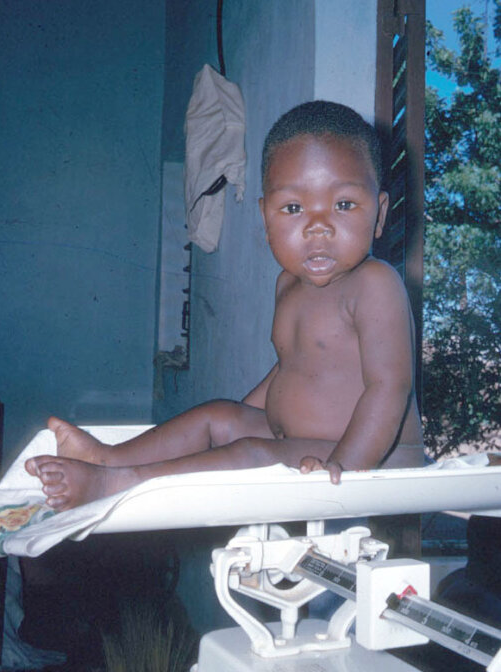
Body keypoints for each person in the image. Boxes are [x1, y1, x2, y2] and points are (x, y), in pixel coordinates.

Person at [25, 100, 424, 511]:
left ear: (378, 215)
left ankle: (116, 484)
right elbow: (293, 365)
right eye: (292, 208)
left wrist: (345, 468)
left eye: (343, 204)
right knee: (216, 415)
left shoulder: (375, 284)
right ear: (265, 219)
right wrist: (238, 414)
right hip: (304, 444)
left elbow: (389, 387)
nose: (318, 225)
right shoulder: (288, 284)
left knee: (250, 454)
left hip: (371, 457)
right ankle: (108, 457)